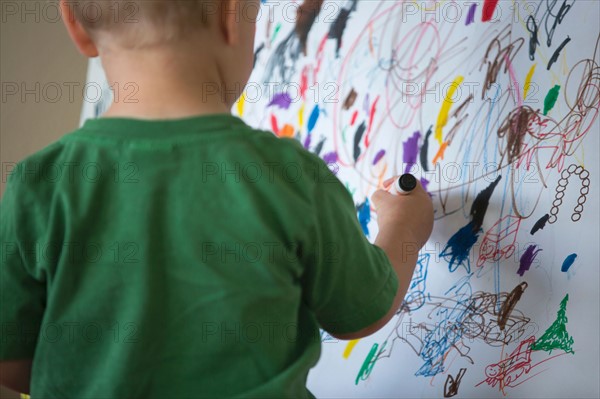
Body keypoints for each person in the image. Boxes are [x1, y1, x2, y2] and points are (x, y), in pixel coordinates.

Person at [0, 1, 433, 397]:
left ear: (75, 25)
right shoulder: (286, 176)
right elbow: (363, 309)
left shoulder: (38, 184)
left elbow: (11, 360)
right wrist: (404, 225)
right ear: (232, 16)